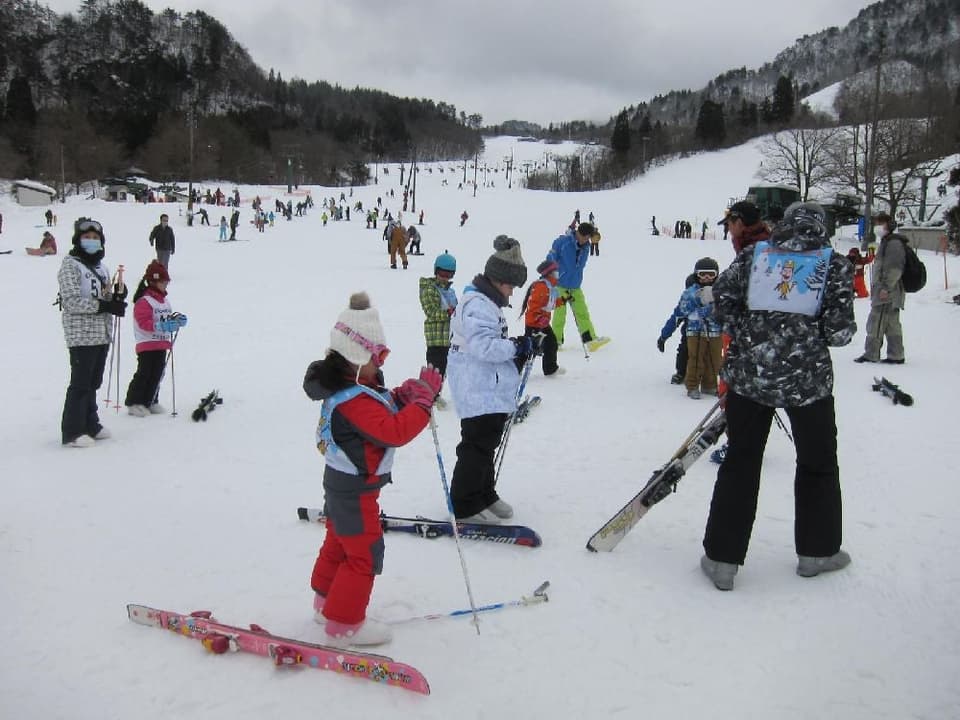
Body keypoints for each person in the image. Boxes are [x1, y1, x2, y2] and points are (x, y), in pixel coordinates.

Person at [700, 202, 856, 591]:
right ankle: (817, 552)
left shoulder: (755, 255)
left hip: (750, 377)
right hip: (809, 383)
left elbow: (721, 299)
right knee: (818, 464)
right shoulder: (834, 265)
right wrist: (807, 335)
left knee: (741, 462)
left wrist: (749, 332)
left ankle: (722, 560)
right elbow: (840, 332)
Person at [303, 292, 441, 647]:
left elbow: (377, 406)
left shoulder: (351, 387)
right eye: (378, 357)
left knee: (339, 542)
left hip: (340, 486)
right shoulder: (353, 400)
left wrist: (402, 395)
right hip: (354, 491)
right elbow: (393, 431)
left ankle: (325, 604)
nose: (380, 365)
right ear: (356, 356)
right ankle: (344, 624)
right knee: (363, 553)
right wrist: (422, 404)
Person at [447, 236, 532, 523]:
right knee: (476, 445)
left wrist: (520, 347)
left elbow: (489, 342)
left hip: (487, 387)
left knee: (486, 443)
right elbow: (484, 347)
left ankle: (484, 493)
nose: (512, 293)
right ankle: (464, 503)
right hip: (476, 388)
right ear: (498, 280)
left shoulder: (487, 303)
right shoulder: (478, 305)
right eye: (511, 286)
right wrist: (516, 347)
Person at [58, 218, 127, 448]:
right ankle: (73, 430)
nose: (91, 241)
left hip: (102, 332)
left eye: (95, 238)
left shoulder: (101, 267)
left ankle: (90, 422)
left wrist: (116, 297)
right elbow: (71, 301)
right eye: (86, 237)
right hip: (81, 334)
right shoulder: (71, 265)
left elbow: (105, 296)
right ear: (78, 240)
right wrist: (104, 305)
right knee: (80, 383)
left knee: (93, 382)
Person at [124, 261, 187, 416]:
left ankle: (151, 399)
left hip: (161, 343)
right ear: (153, 282)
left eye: (166, 282)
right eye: (163, 282)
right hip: (147, 342)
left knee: (158, 373)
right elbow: (143, 322)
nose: (165, 285)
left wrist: (176, 320)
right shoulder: (144, 301)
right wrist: (160, 326)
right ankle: (134, 402)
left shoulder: (164, 301)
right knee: (145, 372)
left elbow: (166, 317)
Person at [547, 222, 609, 351]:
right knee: (560, 315)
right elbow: (550, 258)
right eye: (583, 237)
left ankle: (590, 340)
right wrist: (552, 276)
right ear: (578, 233)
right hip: (560, 285)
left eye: (587, 238)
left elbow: (580, 266)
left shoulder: (586, 247)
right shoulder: (562, 242)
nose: (585, 240)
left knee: (582, 313)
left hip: (575, 286)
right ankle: (556, 342)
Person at [855, 212, 908, 364]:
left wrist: (886, 288)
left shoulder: (893, 244)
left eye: (880, 224)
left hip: (887, 292)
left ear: (888, 225)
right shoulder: (889, 242)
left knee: (876, 322)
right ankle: (896, 354)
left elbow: (894, 268)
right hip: (891, 291)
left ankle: (871, 354)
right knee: (891, 324)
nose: (877, 227)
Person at [677, 258, 722, 399]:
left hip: (715, 330)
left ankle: (709, 385)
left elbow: (726, 306)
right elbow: (683, 309)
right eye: (703, 274)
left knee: (714, 358)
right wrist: (697, 305)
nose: (706, 278)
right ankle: (692, 385)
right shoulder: (691, 292)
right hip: (695, 330)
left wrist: (713, 308)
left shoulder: (720, 291)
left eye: (711, 274)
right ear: (696, 275)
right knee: (696, 358)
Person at [419, 252, 458, 409]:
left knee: (444, 369)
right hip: (435, 337)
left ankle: (435, 394)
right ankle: (429, 397)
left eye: (449, 274)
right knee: (435, 369)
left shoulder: (449, 291)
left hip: (448, 337)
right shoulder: (429, 290)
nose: (445, 278)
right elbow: (431, 312)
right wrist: (449, 312)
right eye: (442, 274)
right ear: (436, 271)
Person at [521, 259, 565, 377]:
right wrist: (538, 317)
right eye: (555, 272)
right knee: (530, 348)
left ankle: (550, 369)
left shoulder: (550, 287)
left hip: (543, 324)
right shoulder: (541, 287)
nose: (557, 274)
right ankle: (516, 369)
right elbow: (533, 305)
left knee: (551, 343)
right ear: (549, 274)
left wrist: (563, 300)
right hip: (534, 324)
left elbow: (550, 304)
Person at [657, 269, 698, 384]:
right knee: (684, 350)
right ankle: (681, 372)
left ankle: (709, 375)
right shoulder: (685, 305)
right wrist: (663, 337)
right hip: (689, 334)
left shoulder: (712, 302)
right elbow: (674, 320)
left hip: (710, 334)